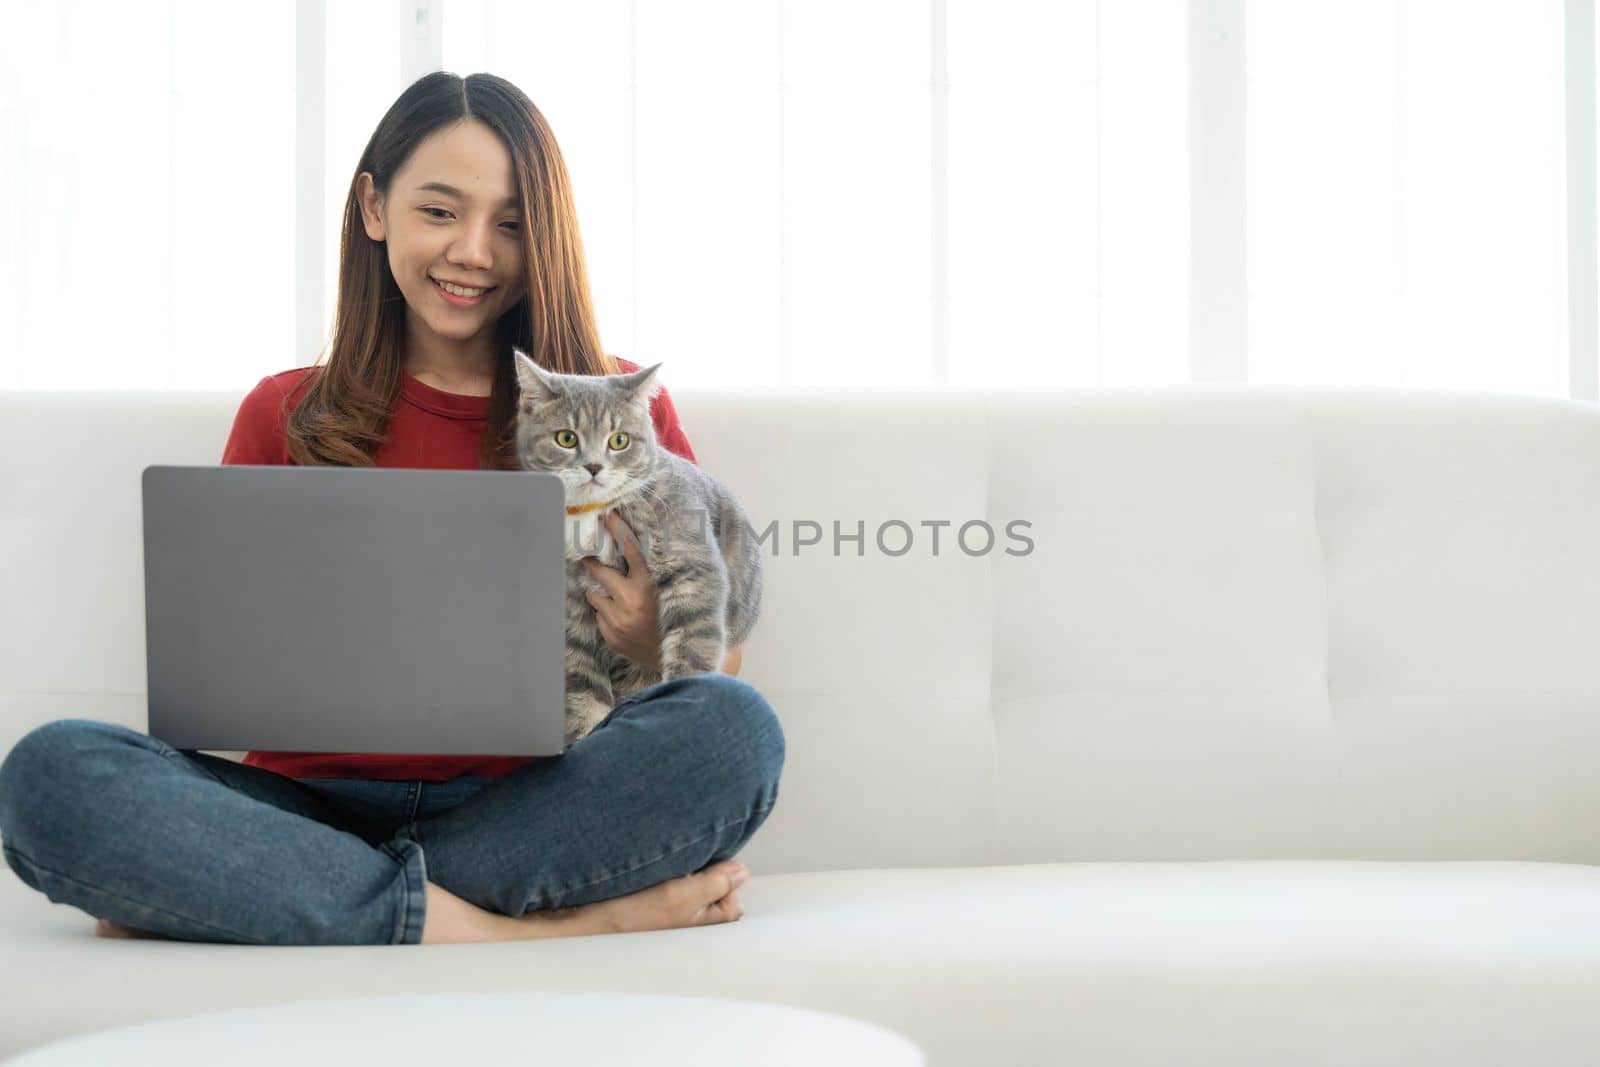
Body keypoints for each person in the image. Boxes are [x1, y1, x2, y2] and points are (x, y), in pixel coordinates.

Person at [0, 71, 784, 946]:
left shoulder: (612, 413)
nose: (474, 252)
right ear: (374, 208)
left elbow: (717, 667)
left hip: (530, 807)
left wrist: (645, 639)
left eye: (512, 223)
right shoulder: (282, 413)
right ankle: (519, 929)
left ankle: (309, 903)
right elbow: (223, 664)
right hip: (301, 812)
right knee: (54, 774)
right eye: (441, 212)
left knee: (733, 733)